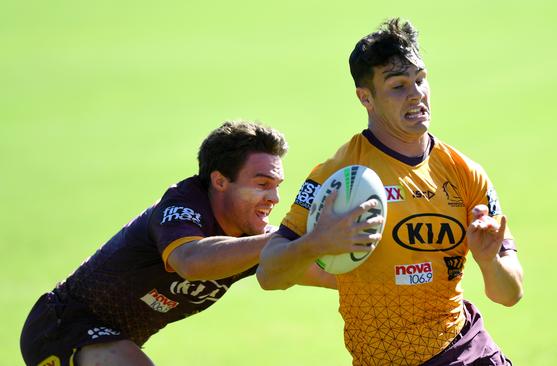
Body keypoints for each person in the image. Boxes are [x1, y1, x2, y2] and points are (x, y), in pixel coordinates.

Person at [256, 18, 524, 365]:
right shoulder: (339, 175)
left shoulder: (465, 174)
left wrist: (489, 261)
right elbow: (269, 275)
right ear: (365, 98)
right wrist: (317, 243)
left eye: (420, 79)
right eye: (398, 86)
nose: (416, 94)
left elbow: (509, 293)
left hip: (462, 354)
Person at [21, 121, 288, 366]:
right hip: (61, 326)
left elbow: (312, 267)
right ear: (219, 180)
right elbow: (190, 261)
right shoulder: (182, 205)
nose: (274, 198)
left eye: (277, 186)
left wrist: (320, 242)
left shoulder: (252, 235)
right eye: (262, 184)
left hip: (113, 341)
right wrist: (280, 239)